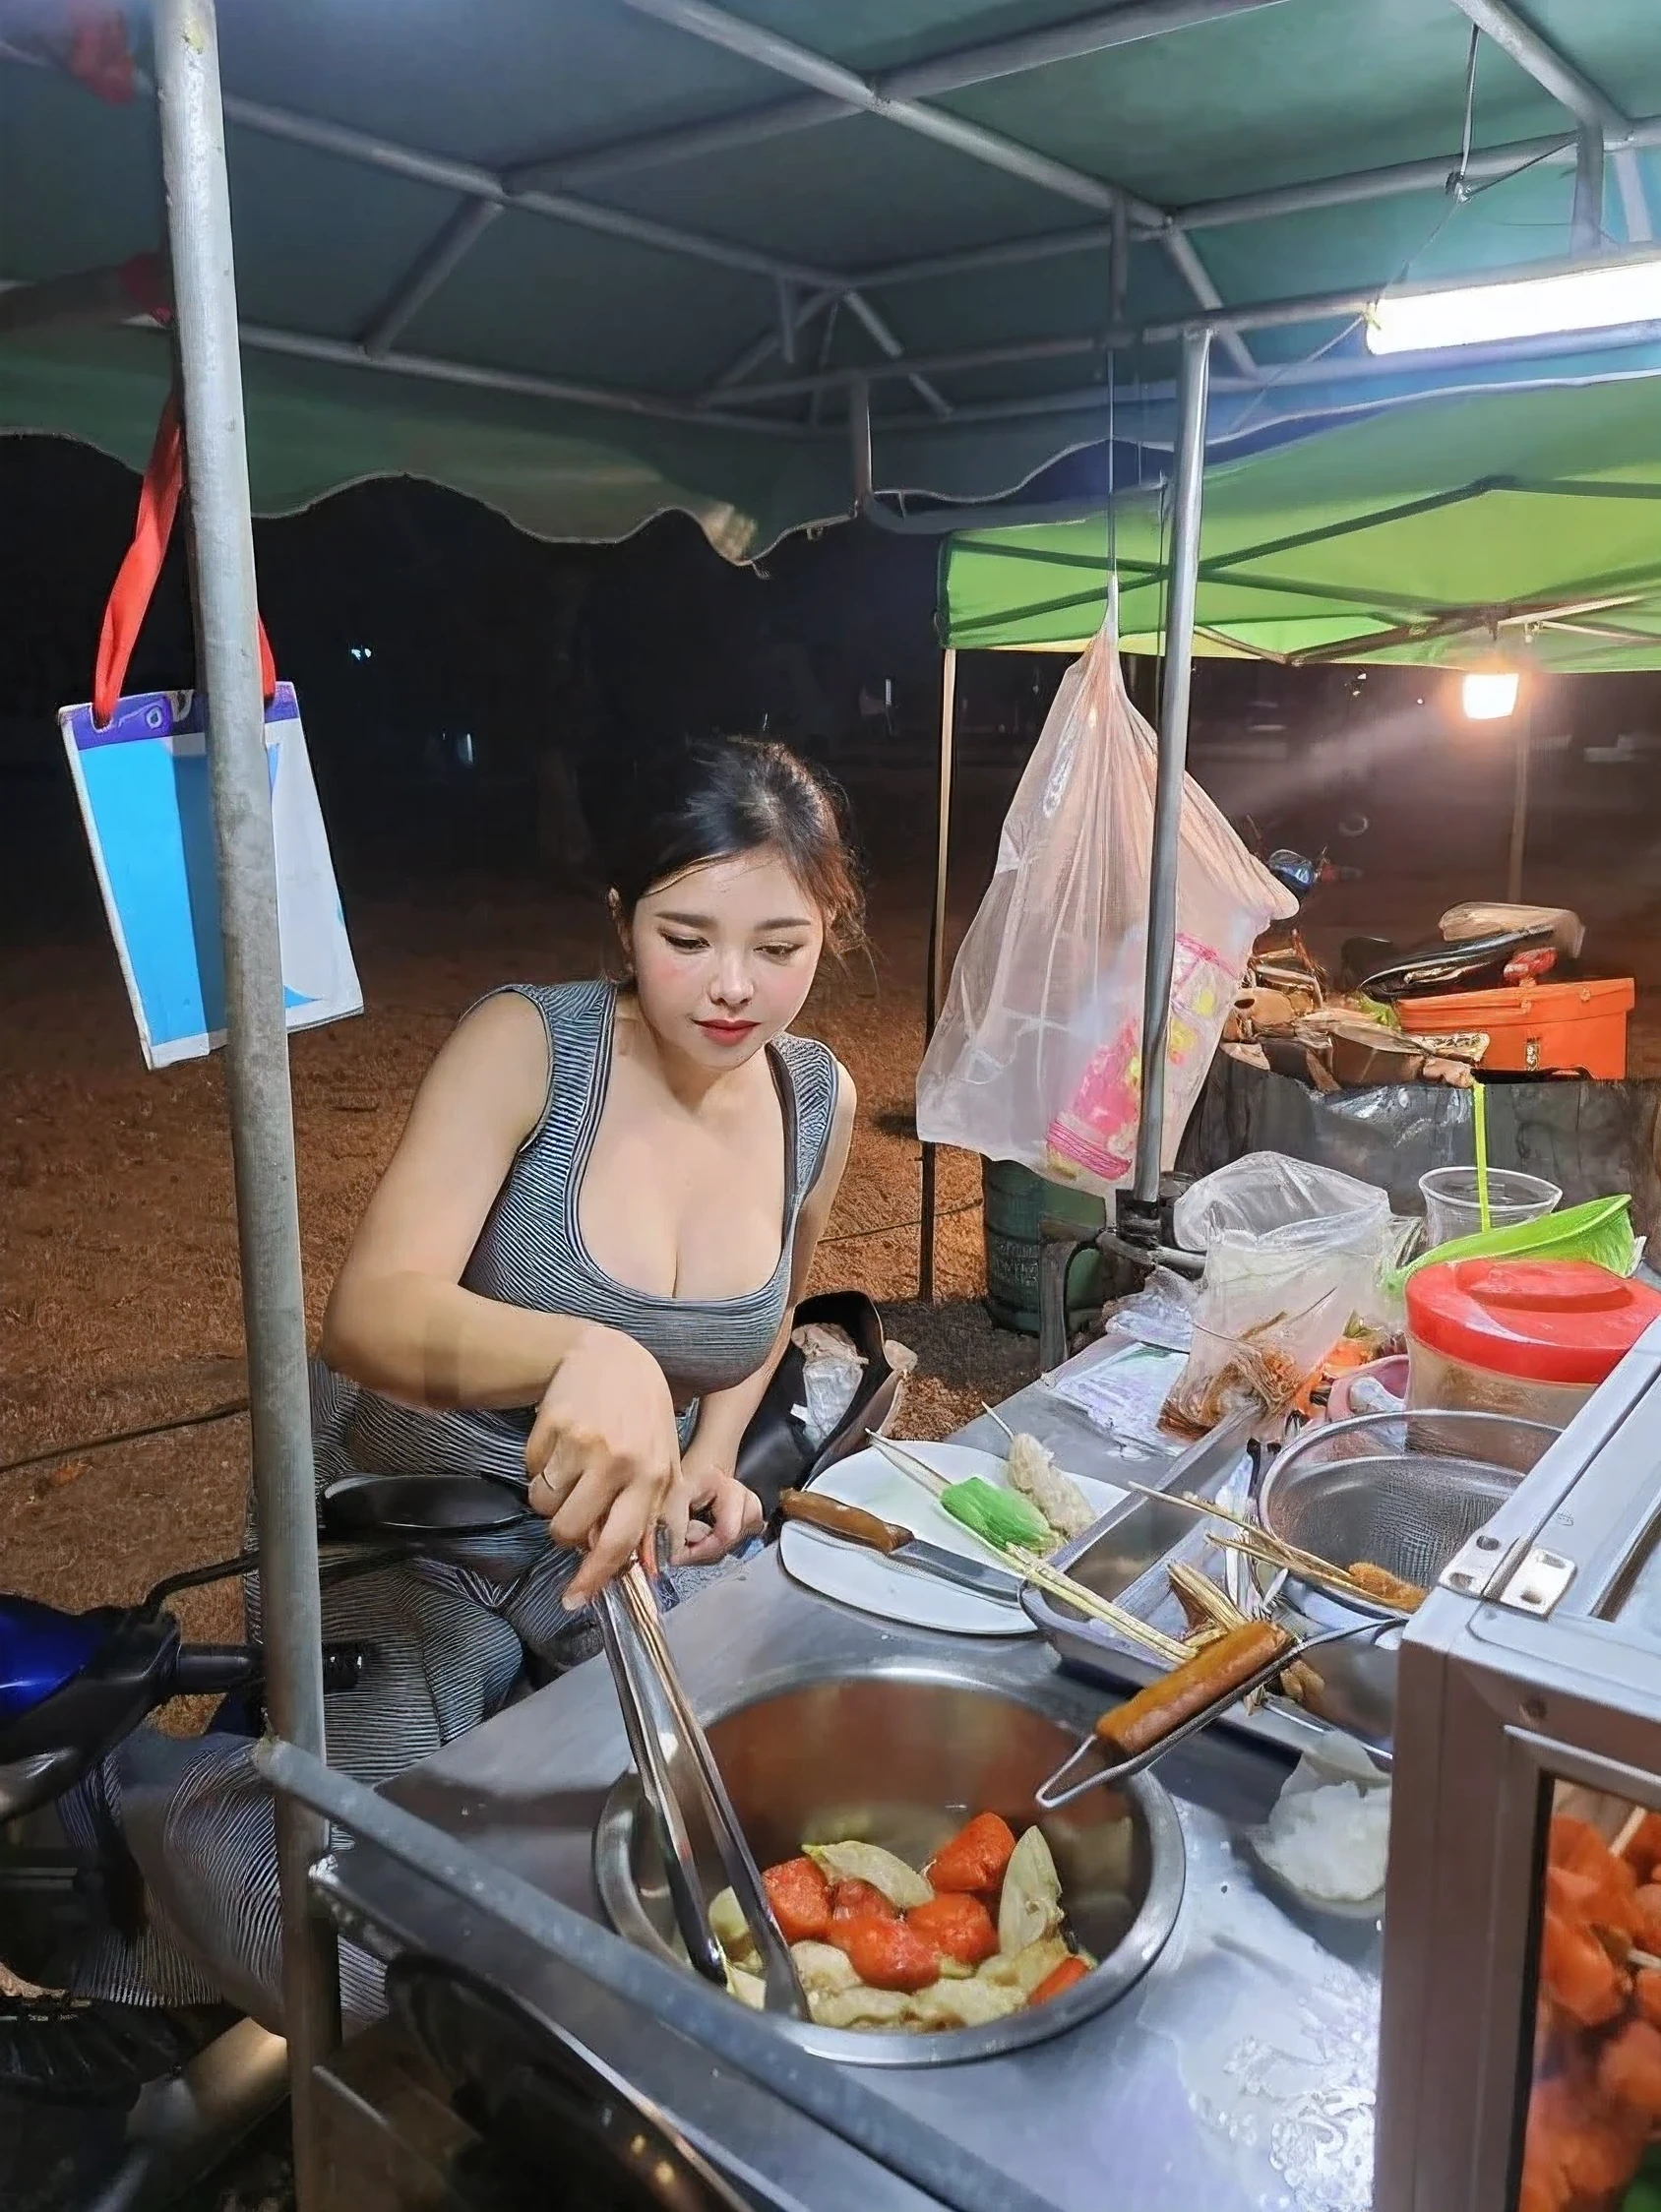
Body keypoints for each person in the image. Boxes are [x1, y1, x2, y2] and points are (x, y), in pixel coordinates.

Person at [48, 734, 861, 2033]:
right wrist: (585, 1352)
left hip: (602, 1542)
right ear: (620, 917)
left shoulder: (814, 1097)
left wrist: (708, 1455)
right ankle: (134, 1806)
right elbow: (372, 1310)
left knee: (730, 1847)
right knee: (385, 1962)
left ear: (830, 925)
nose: (731, 987)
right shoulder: (531, 1044)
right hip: (406, 1512)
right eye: (685, 935)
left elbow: (764, 1313)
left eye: (780, 945)